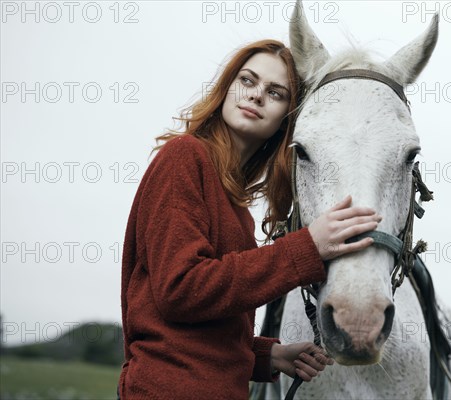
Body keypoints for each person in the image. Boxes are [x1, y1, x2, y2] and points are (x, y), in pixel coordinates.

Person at [118, 39, 381, 400]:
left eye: (275, 92)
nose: (256, 95)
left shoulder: (233, 200)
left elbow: (203, 330)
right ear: (227, 87)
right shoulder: (184, 157)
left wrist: (266, 355)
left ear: (286, 119)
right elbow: (180, 291)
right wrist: (306, 248)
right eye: (248, 80)